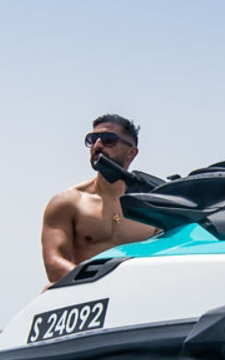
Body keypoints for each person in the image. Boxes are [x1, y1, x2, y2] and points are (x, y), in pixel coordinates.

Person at [40, 114, 160, 283]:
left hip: (135, 299)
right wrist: (101, 286)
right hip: (87, 301)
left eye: (108, 140)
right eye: (92, 139)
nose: (97, 145)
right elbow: (54, 265)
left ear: (131, 153)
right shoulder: (68, 202)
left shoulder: (152, 209)